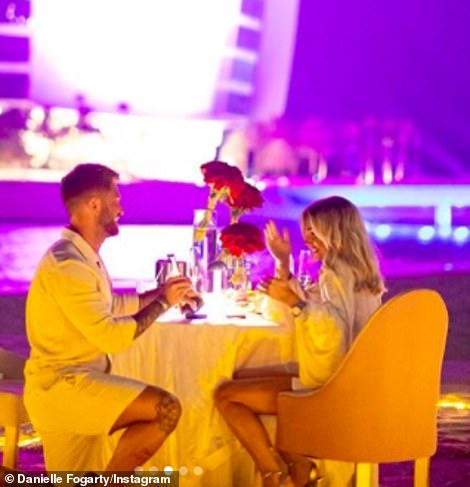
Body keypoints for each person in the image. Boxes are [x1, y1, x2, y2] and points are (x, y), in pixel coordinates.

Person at [24, 163, 196, 472]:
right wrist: (164, 304)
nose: (122, 207)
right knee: (165, 408)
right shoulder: (68, 264)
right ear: (94, 204)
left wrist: (161, 292)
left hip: (69, 385)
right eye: (116, 198)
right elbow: (110, 337)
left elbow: (111, 305)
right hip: (63, 388)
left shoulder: (80, 255)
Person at [214, 196, 385, 487]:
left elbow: (334, 328)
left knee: (226, 395)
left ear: (334, 232)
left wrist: (293, 302)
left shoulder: (337, 272)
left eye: (314, 232)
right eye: (305, 231)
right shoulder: (361, 274)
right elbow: (323, 310)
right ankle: (296, 465)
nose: (307, 240)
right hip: (354, 380)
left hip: (332, 388)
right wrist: (282, 262)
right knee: (249, 379)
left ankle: (278, 470)